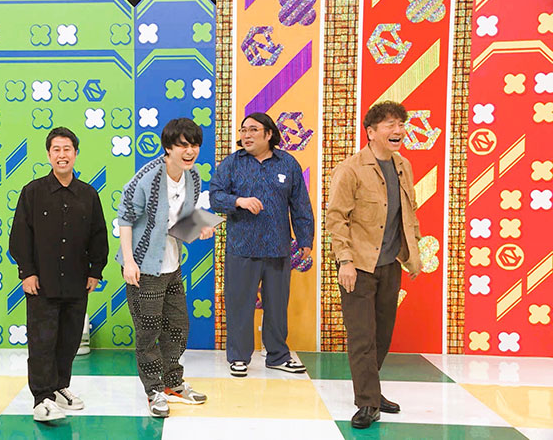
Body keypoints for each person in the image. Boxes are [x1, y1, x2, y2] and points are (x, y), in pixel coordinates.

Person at [326, 100, 422, 429]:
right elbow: (336, 219)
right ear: (371, 132)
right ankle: (367, 402)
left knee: (382, 335)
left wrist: (413, 254)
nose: (398, 130)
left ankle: (372, 389)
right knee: (362, 336)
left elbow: (408, 213)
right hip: (358, 265)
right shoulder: (350, 169)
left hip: (390, 263)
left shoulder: (403, 166)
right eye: (390, 125)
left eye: (401, 124)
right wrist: (345, 261)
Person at [8, 127, 109, 422]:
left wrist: (95, 271)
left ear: (75, 153)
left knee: (69, 341)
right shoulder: (32, 192)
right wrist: (27, 273)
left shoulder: (88, 194)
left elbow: (98, 235)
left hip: (77, 282)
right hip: (41, 283)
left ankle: (59, 386)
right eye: (56, 149)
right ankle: (42, 398)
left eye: (67, 149)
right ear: (48, 154)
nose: (62, 155)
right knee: (42, 342)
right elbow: (20, 236)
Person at [117, 118, 214, 418]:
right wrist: (129, 262)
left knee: (178, 325)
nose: (190, 151)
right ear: (168, 147)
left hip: (172, 265)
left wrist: (200, 226)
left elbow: (182, 219)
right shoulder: (147, 178)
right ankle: (154, 390)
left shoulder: (193, 175)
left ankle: (173, 382)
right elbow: (125, 219)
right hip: (144, 267)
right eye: (183, 145)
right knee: (148, 331)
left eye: (194, 145)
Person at [209, 112, 314, 378]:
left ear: (269, 134)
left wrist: (305, 239)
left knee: (277, 305)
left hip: (278, 248)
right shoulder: (232, 163)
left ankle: (278, 355)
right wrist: (238, 201)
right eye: (243, 130)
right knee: (239, 304)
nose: (246, 135)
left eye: (253, 130)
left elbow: (300, 204)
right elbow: (215, 197)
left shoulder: (288, 163)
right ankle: (239, 357)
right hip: (241, 247)